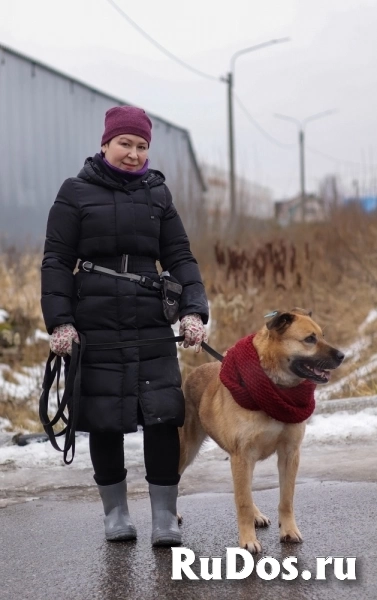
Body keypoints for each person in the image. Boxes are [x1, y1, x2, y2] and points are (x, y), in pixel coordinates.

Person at [40, 105, 209, 546]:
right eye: (125, 144)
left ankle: (164, 517)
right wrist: (60, 322)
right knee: (105, 418)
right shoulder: (74, 192)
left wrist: (194, 310)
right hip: (95, 322)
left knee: (161, 415)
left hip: (151, 320)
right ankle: (115, 513)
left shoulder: (158, 195)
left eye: (141, 146)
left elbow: (180, 258)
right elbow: (56, 260)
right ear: (105, 144)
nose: (133, 154)